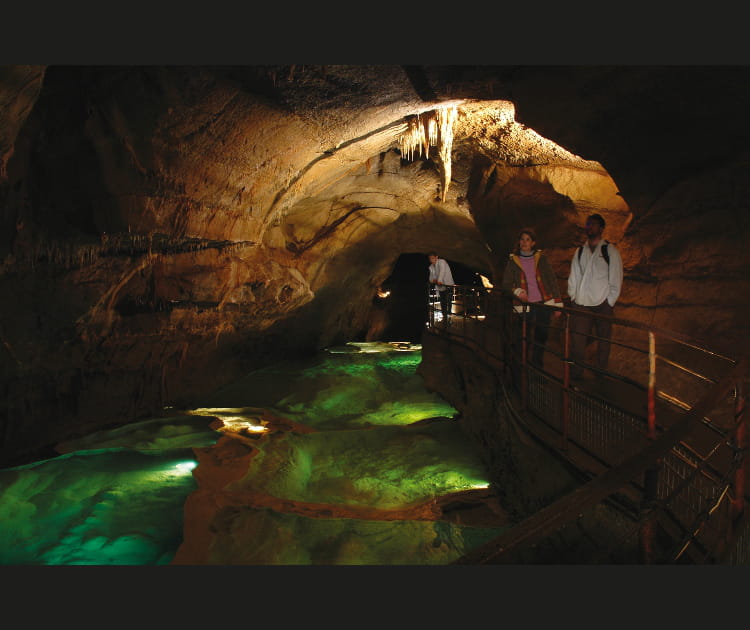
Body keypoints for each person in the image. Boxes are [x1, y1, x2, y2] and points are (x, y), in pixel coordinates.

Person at [566, 213, 624, 381]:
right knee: (577, 340)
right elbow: (574, 276)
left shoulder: (609, 251)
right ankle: (576, 375)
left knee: (603, 340)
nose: (589, 227)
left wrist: (610, 301)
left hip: (603, 303)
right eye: (588, 224)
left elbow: (616, 277)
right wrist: (573, 297)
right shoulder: (579, 252)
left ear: (601, 228)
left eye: (593, 224)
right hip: (581, 302)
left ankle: (600, 374)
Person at [501, 228, 563, 368]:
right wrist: (517, 291)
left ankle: (537, 365)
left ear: (533, 243)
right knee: (524, 336)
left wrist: (558, 303)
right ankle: (521, 364)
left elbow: (551, 280)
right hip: (524, 305)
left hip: (543, 303)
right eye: (522, 239)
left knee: (541, 335)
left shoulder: (541, 259)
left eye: (528, 239)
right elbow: (506, 284)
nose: (524, 242)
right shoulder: (513, 261)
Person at [427, 252, 454, 325]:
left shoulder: (442, 262)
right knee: (443, 302)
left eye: (432, 258)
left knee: (448, 302)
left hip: (448, 285)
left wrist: (439, 280)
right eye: (430, 259)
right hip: (441, 287)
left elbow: (442, 271)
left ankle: (449, 318)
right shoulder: (431, 267)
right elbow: (430, 278)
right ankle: (444, 317)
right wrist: (433, 280)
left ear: (436, 257)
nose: (431, 260)